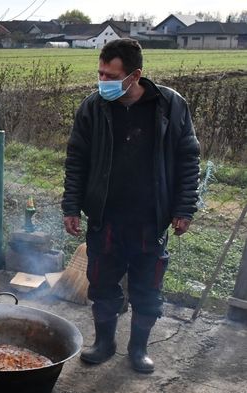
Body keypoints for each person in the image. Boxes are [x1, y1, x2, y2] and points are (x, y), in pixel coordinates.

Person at [62, 38, 200, 374]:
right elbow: (77, 159)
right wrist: (71, 206)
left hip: (150, 217)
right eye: (100, 74)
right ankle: (104, 343)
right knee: (102, 284)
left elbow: (188, 158)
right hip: (105, 216)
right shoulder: (93, 108)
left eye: (110, 76)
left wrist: (184, 208)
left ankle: (138, 349)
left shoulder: (170, 105)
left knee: (147, 288)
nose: (102, 82)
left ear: (135, 75)